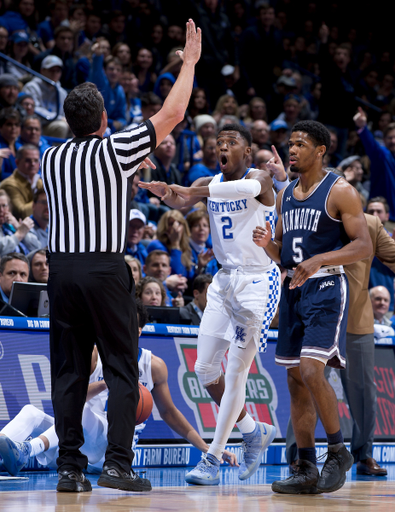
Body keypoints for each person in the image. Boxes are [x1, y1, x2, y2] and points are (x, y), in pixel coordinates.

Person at [40, 19, 201, 494]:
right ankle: (116, 464)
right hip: (104, 269)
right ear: (105, 118)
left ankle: (69, 469)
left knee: (69, 371)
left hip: (61, 270)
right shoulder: (117, 148)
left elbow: (90, 168)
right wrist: (188, 63)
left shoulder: (51, 157)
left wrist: (126, 160)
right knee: (121, 367)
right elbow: (172, 112)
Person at [140, 122, 280, 485]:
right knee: (204, 371)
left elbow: (246, 189)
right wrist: (164, 191)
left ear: (246, 151)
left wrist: (191, 189)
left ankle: (212, 458)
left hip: (258, 283)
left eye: (231, 142)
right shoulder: (210, 184)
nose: (223, 147)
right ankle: (253, 430)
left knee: (236, 371)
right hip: (224, 281)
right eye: (219, 142)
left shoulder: (260, 178)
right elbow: (180, 199)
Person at [252, 120, 372, 494]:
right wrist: (268, 246)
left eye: (300, 145)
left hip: (325, 288)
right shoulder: (287, 194)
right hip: (293, 289)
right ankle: (305, 465)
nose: (292, 150)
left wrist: (320, 260)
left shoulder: (341, 191)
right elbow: (287, 254)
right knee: (294, 380)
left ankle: (337, 451)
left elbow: (363, 246)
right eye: (290, 144)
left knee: (310, 369)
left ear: (320, 150)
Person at [0, 300, 237, 476]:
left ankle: (27, 450)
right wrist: (107, 383)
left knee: (79, 414)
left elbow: (169, 413)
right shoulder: (94, 354)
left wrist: (209, 449)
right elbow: (71, 397)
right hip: (73, 444)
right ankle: (10, 453)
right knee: (33, 411)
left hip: (110, 452)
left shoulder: (152, 365)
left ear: (139, 330)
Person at [286, 213, 394, 478]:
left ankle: (364, 454)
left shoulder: (369, 223)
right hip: (316, 315)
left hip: (356, 319)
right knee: (305, 384)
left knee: (364, 393)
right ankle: (298, 456)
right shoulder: (309, 217)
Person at [353, 107, 395, 224]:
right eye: (390, 138)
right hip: (381, 220)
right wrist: (362, 127)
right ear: (384, 140)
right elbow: (371, 145)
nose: (393, 141)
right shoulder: (383, 156)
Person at [22, 55, 70, 139]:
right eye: (51, 70)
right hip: (34, 125)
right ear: (42, 71)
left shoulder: (61, 92)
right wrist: (59, 119)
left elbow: (64, 114)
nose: (54, 74)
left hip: (53, 124)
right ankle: (54, 152)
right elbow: (33, 109)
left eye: (58, 71)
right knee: (61, 126)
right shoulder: (31, 87)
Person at [366, 196, 395, 311]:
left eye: (379, 211)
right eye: (371, 211)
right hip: (361, 304)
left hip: (387, 305)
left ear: (387, 216)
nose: (374, 214)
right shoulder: (355, 240)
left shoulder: (392, 241)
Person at [0, 144, 42, 219]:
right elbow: (22, 213)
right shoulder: (9, 184)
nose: (33, 164)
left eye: (36, 160)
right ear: (17, 162)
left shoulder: (40, 182)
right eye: (28, 160)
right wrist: (42, 199)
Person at [0, 189, 40, 257]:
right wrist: (20, 233)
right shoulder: (19, 232)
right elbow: (2, 248)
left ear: (9, 207)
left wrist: (17, 226)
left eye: (4, 206)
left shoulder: (11, 224)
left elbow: (37, 247)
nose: (1, 210)